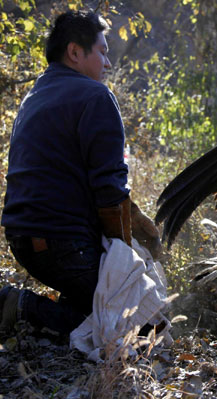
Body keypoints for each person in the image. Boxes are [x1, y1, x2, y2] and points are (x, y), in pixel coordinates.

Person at [0, 10, 160, 339]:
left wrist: (135, 214)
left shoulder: (34, 97)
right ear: (75, 52)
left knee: (95, 305)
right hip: (63, 245)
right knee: (141, 329)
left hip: (24, 240)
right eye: (102, 51)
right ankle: (22, 308)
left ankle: (65, 304)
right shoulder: (96, 96)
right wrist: (125, 262)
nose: (108, 63)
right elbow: (108, 193)